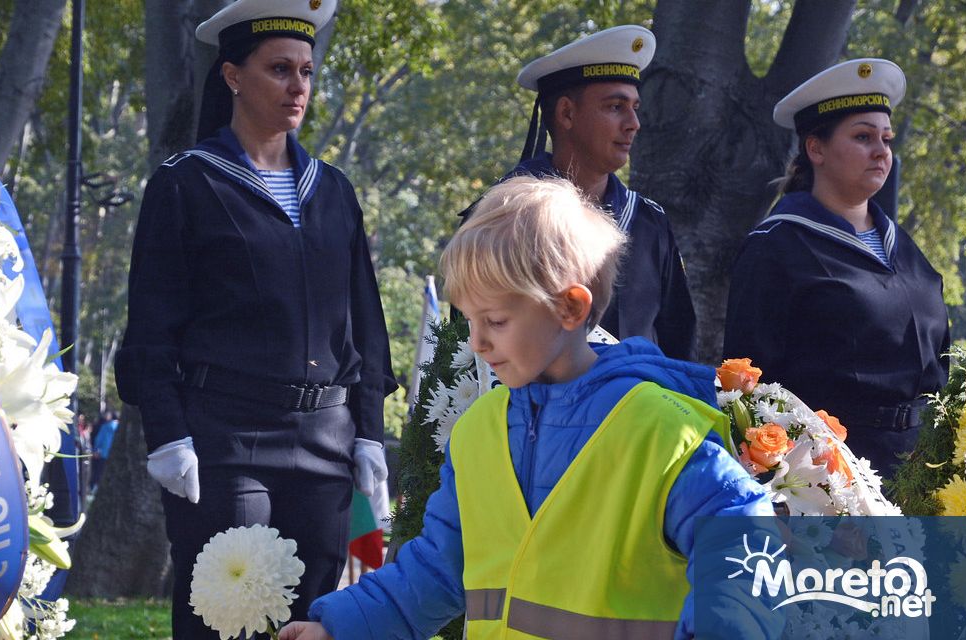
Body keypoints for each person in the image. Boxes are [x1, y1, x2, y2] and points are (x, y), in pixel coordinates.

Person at [280, 177, 774, 640]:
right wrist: (339, 628)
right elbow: (436, 569)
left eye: (494, 320)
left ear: (570, 308)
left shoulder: (662, 430)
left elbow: (744, 553)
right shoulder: (477, 432)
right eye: (472, 320)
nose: (476, 342)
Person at [114, 0, 397, 636]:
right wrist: (167, 433)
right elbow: (152, 324)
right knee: (227, 618)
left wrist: (371, 435)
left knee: (313, 623)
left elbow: (366, 328)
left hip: (325, 439)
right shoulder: (186, 182)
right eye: (279, 69)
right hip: (226, 439)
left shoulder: (334, 190)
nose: (298, 86)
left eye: (307, 71)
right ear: (233, 76)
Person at [723, 59, 949, 480]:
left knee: (928, 551)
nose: (881, 150)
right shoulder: (777, 246)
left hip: (924, 472)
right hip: (831, 480)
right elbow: (747, 393)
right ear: (816, 148)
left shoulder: (905, 249)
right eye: (863, 137)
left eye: (886, 137)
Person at [459, 25, 696, 360]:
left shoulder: (648, 223)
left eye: (635, 107)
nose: (633, 123)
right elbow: (467, 350)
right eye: (615, 107)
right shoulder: (498, 219)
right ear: (567, 113)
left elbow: (679, 347)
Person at [89, 411, 117, 492]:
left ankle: (94, 489)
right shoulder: (118, 426)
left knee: (99, 472)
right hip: (113, 454)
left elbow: (99, 440)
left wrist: (95, 450)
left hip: (103, 454)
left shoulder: (105, 426)